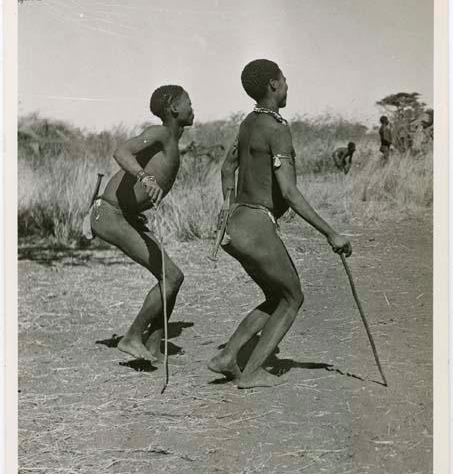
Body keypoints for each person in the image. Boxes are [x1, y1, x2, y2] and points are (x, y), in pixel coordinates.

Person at [207, 59, 352, 389]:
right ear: (273, 85)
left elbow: (226, 169)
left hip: (235, 224)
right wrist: (331, 233)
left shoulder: (247, 123)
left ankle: (227, 357)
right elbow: (288, 190)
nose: (288, 85)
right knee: (293, 298)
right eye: (284, 80)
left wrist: (227, 208)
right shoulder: (277, 128)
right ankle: (253, 372)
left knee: (277, 296)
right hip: (257, 225)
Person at [86, 85, 194, 362]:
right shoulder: (159, 134)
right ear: (174, 110)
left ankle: (154, 344)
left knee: (174, 277)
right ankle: (132, 337)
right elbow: (122, 152)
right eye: (188, 104)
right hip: (109, 214)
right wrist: (145, 178)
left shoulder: (171, 140)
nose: (193, 109)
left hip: (123, 216)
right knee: (169, 276)